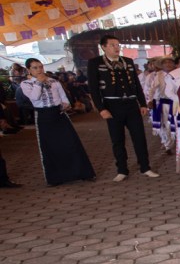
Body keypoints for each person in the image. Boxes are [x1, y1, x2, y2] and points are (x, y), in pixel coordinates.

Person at [87, 34, 159, 182]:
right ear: (104, 47)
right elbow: (93, 88)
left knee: (139, 137)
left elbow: (136, 85)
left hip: (131, 104)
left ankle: (145, 167)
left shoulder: (128, 61)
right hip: (112, 105)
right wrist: (101, 109)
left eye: (118, 45)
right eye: (112, 45)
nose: (116, 48)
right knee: (117, 139)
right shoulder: (95, 63)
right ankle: (122, 169)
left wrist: (142, 103)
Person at [20, 57, 95, 186]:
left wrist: (65, 103)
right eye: (35, 68)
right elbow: (34, 97)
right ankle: (56, 177)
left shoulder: (53, 81)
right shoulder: (26, 84)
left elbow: (63, 96)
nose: (39, 70)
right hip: (43, 115)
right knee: (49, 146)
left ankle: (82, 172)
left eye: (40, 67)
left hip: (59, 114)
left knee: (71, 142)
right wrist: (39, 82)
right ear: (29, 70)